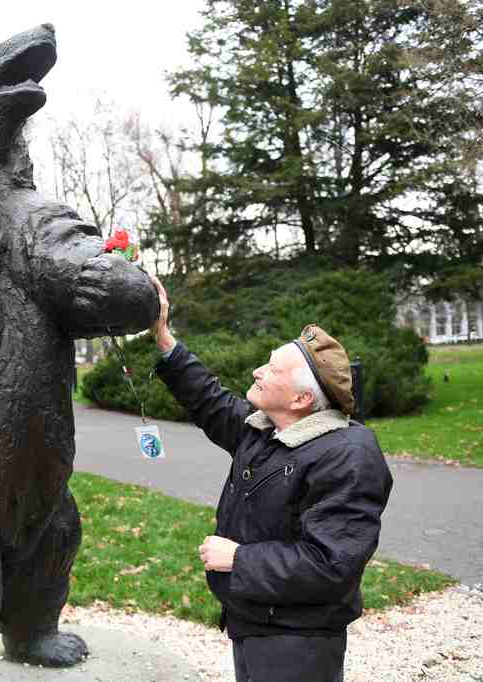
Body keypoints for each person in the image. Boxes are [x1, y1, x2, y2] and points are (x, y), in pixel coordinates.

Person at [148, 275, 393, 682]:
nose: (258, 370)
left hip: (298, 639)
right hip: (255, 617)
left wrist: (238, 559)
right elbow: (209, 399)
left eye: (273, 369)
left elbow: (331, 564)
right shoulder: (266, 430)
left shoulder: (348, 457)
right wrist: (162, 336)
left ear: (300, 400)